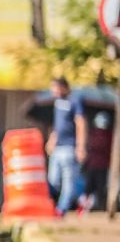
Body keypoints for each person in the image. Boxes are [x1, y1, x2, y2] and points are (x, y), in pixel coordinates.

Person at [46, 77, 87, 215]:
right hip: (58, 147)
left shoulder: (75, 101)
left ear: (64, 87)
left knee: (69, 182)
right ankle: (79, 200)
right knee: (53, 180)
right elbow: (57, 125)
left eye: (55, 87)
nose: (53, 91)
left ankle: (61, 210)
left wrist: (80, 147)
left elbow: (80, 123)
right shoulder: (57, 102)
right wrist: (52, 140)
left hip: (70, 147)